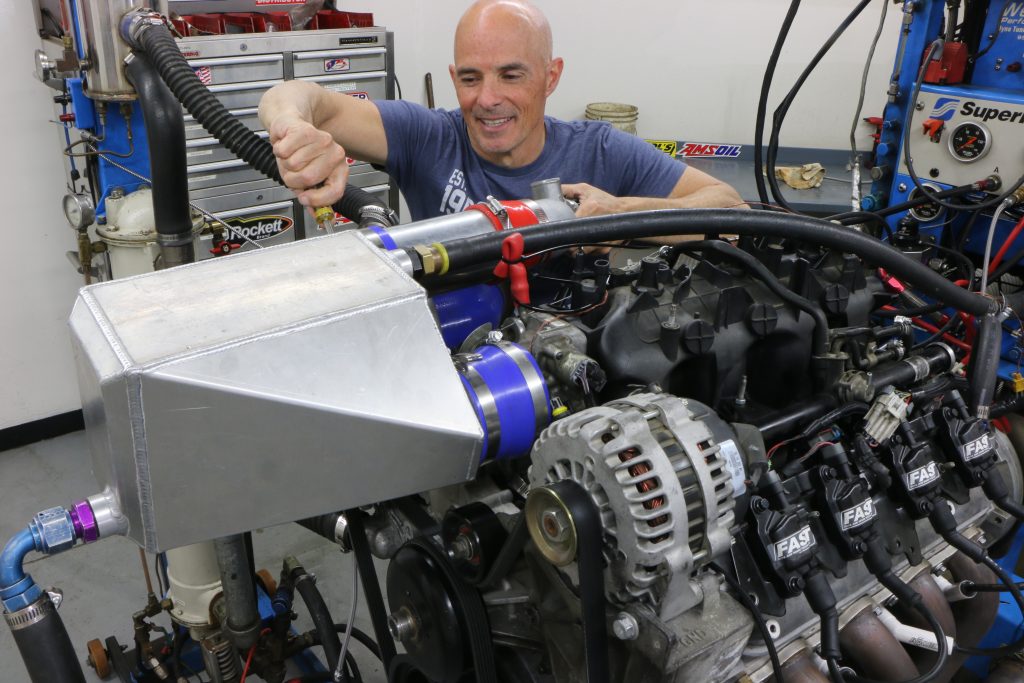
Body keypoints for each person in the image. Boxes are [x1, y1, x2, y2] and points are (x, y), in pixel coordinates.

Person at [258, 0, 745, 229]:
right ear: (454, 78)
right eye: (471, 78)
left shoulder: (601, 150)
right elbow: (292, 93)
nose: (488, 99)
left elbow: (731, 210)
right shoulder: (426, 137)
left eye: (511, 75)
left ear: (551, 76)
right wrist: (294, 127)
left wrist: (619, 213)